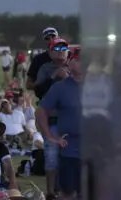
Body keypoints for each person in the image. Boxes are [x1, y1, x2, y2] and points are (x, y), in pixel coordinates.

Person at [37, 57, 83, 200]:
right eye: (77, 59)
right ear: (70, 63)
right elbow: (41, 111)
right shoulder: (60, 87)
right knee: (68, 192)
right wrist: (50, 136)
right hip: (69, 149)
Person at [25, 27, 59, 93]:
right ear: (44, 41)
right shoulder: (38, 59)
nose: (51, 40)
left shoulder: (68, 55)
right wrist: (39, 83)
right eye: (47, 38)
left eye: (53, 36)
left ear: (58, 38)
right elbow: (28, 85)